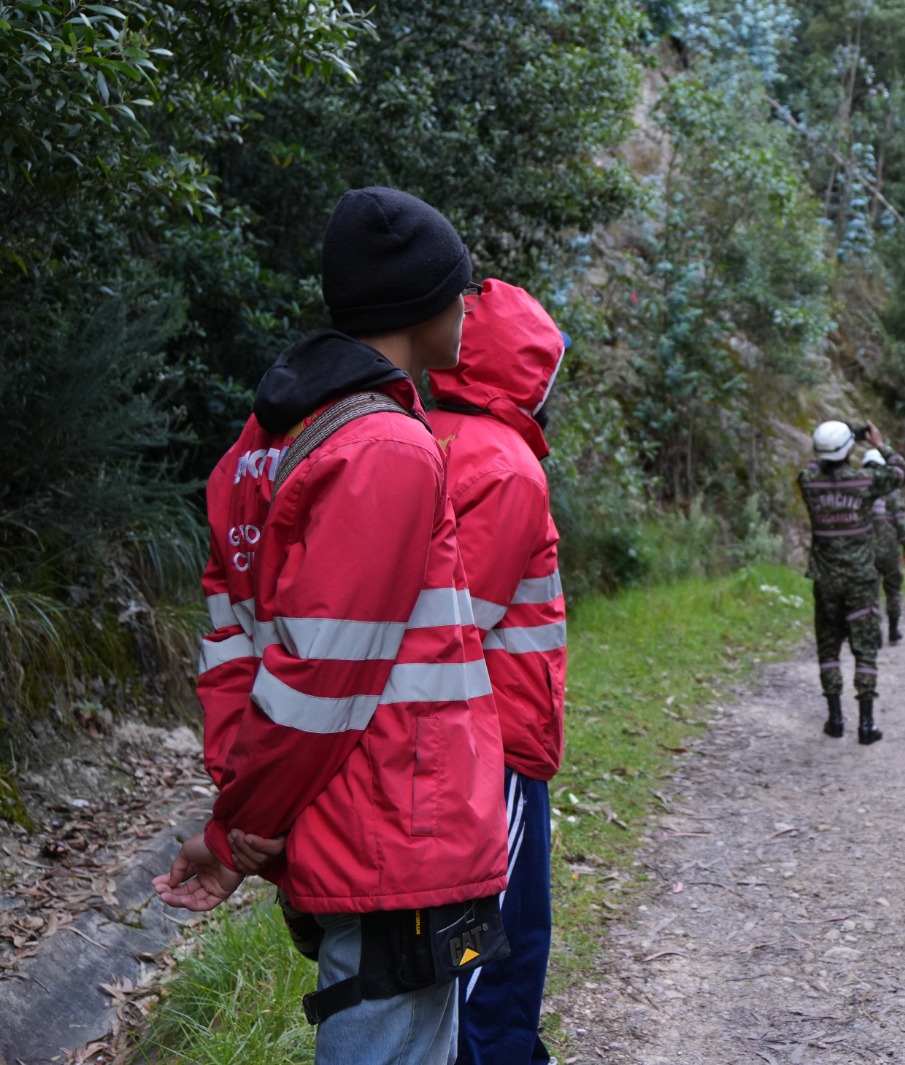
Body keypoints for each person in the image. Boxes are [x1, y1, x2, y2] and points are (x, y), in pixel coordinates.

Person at [158, 187, 509, 1064]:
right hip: (396, 821)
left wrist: (239, 805)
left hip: (342, 820)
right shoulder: (386, 449)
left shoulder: (256, 447)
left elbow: (233, 650)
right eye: (459, 289)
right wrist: (240, 829)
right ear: (417, 302)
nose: (469, 307)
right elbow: (324, 675)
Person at [428, 279, 567, 1065]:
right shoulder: (508, 466)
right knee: (502, 942)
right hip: (499, 743)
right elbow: (458, 627)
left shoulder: (423, 432)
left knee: (459, 941)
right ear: (525, 376)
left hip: (445, 745)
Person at [798, 421, 905, 743]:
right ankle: (866, 725)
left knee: (828, 647)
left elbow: (813, 464)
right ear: (849, 449)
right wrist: (878, 442)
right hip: (861, 581)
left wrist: (832, 444)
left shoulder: (808, 482)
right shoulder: (865, 480)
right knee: (865, 650)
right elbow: (901, 472)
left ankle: (834, 719)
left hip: (826, 580)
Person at [862, 450, 905, 645]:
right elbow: (900, 521)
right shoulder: (892, 492)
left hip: (866, 552)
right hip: (890, 551)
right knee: (893, 591)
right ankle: (894, 629)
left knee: (870, 593)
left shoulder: (860, 491)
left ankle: (875, 634)